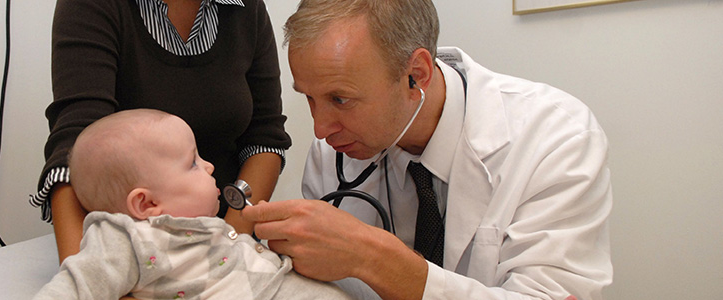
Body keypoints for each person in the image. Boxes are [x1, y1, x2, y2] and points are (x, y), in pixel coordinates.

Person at [241, 0, 613, 299]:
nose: (321, 130)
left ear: (416, 74)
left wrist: (373, 257)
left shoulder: (557, 139)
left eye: (340, 99)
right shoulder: (335, 153)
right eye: (309, 98)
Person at [30, 0, 292, 264]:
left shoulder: (247, 8)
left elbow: (264, 138)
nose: (208, 167)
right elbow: (73, 148)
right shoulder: (92, 6)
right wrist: (91, 273)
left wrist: (226, 244)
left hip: (228, 236)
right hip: (131, 254)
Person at [33, 109, 351, 300]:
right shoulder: (128, 240)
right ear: (146, 203)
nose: (210, 166)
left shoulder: (207, 229)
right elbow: (73, 288)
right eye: (193, 164)